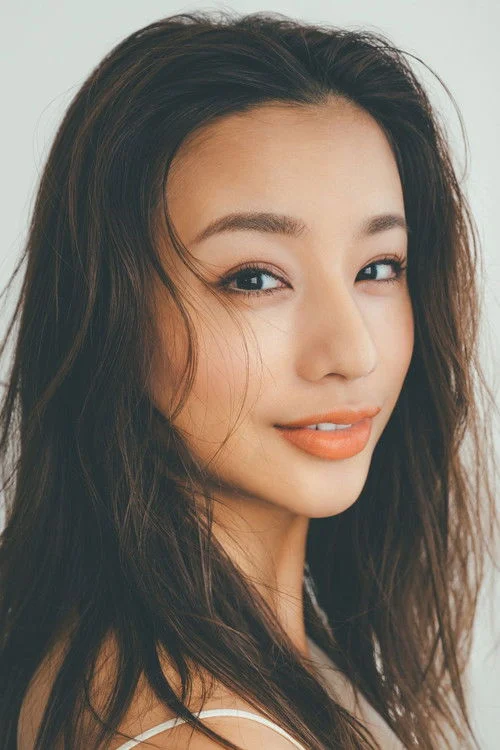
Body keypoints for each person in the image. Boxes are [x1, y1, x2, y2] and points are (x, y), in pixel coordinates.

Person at [1, 9, 498, 750]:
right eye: (255, 278)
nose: (352, 352)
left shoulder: (196, 652)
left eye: (377, 267)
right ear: (110, 313)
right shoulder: (197, 729)